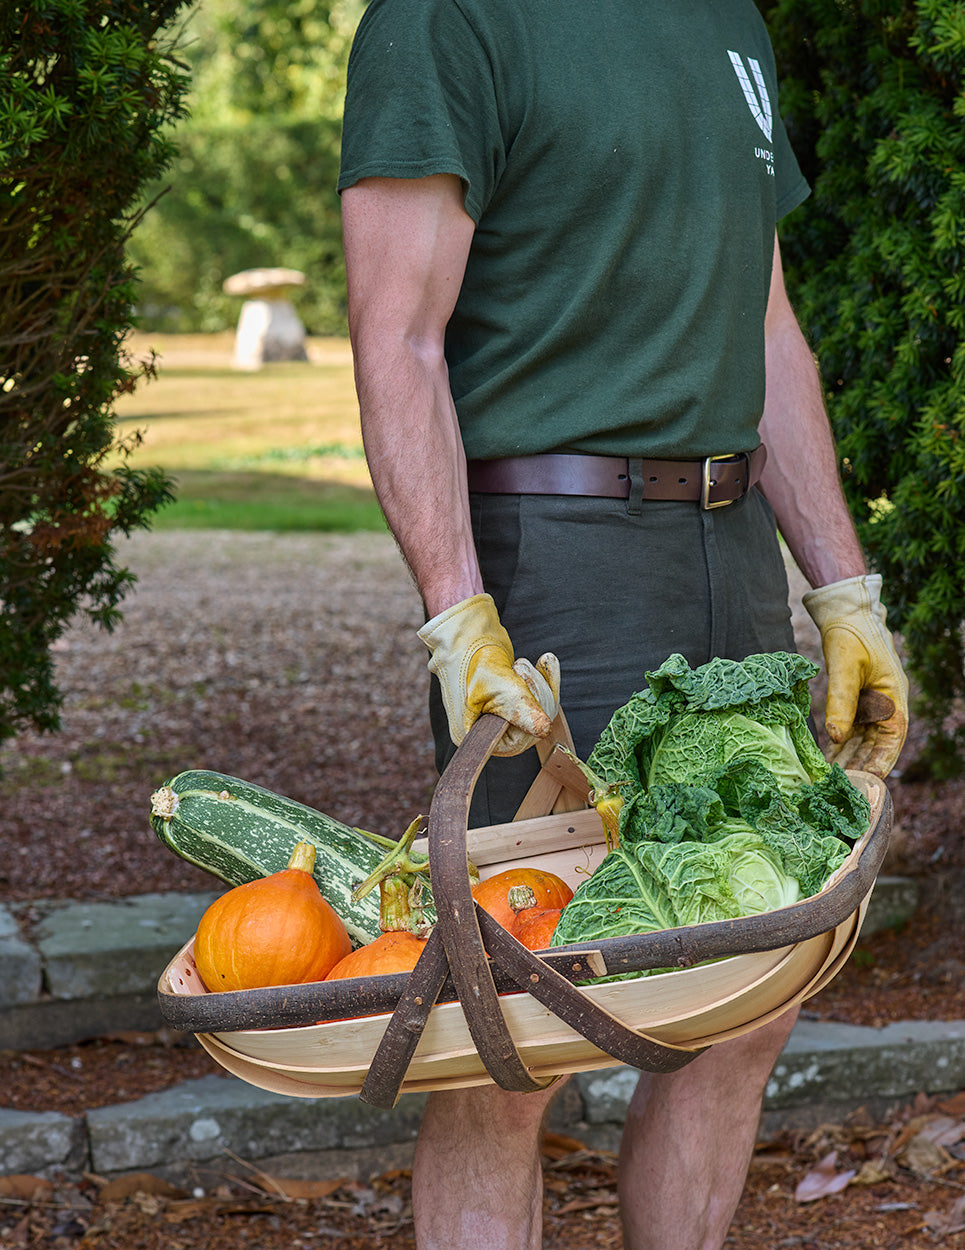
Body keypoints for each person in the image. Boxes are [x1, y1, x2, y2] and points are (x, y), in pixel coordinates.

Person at [336, 2, 909, 1246]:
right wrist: (456, 615)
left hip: (727, 548)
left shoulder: (725, 19)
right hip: (553, 567)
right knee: (514, 1028)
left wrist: (841, 589)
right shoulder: (447, 21)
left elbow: (763, 326)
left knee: (744, 992)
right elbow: (398, 332)